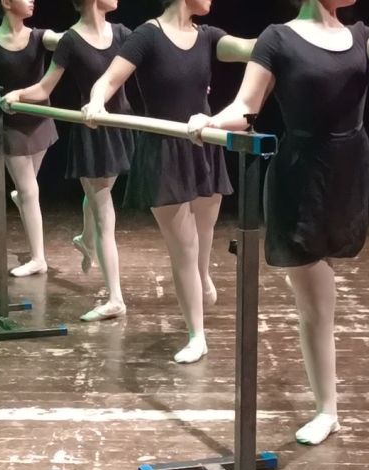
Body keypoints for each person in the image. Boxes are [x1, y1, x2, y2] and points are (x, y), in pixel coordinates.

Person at [187, 0, 369, 443]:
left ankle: (327, 407)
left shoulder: (360, 35)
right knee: (316, 301)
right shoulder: (278, 39)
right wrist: (210, 120)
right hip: (301, 174)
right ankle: (327, 410)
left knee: (321, 295)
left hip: (347, 169)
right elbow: (246, 105)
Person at [84, 0, 256, 363]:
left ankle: (202, 277)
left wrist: (290, 40)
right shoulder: (147, 36)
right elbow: (108, 80)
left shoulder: (208, 37)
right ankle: (197, 335)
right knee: (183, 249)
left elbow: (248, 48)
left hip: (203, 144)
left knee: (203, 238)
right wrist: (96, 103)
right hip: (163, 151)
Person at [2, 0, 136, 321]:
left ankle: (85, 239)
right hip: (92, 132)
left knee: (98, 198)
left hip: (120, 127)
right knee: (103, 212)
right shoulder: (71, 41)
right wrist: (18, 94)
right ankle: (115, 298)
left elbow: (149, 64)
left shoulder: (122, 33)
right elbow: (45, 87)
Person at [0, 0, 62, 277]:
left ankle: (20, 197)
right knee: (30, 191)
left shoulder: (39, 36)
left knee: (27, 189)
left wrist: (86, 32)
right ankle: (38, 258)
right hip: (10, 125)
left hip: (40, 121)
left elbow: (62, 40)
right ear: (7, 3)